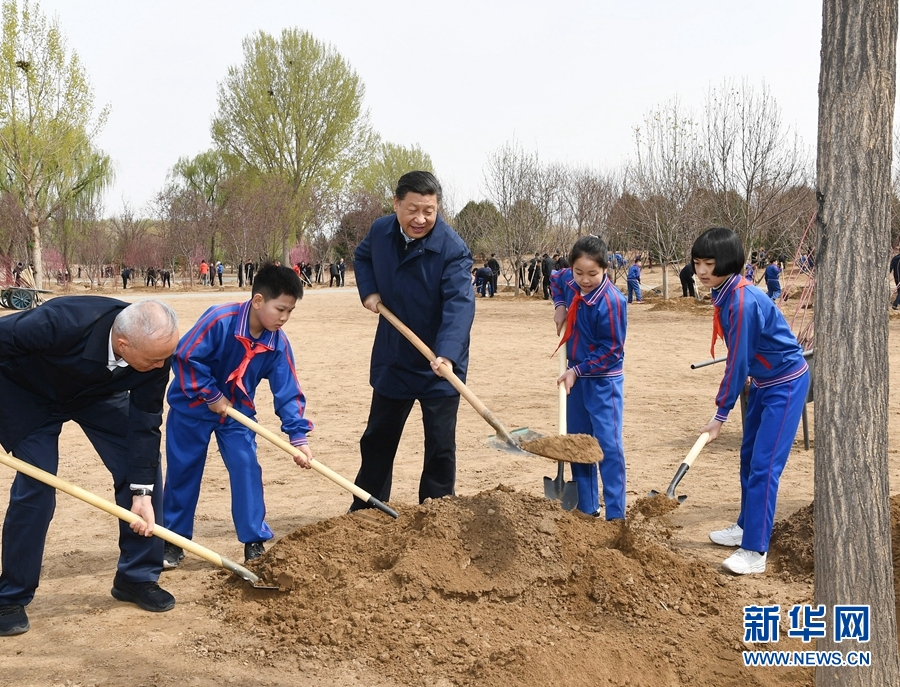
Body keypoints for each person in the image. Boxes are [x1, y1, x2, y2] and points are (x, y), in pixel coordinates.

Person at [0, 298, 180, 636]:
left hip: (94, 394)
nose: (161, 366)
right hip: (26, 394)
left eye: (164, 358)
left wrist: (141, 492)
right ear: (124, 344)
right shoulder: (60, 321)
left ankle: (136, 577)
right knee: (37, 485)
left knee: (141, 467)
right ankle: (10, 595)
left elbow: (145, 422)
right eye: (154, 359)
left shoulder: (157, 351)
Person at [162, 264, 314, 568]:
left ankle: (254, 540)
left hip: (237, 413)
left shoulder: (277, 343)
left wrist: (298, 437)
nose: (284, 318)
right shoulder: (220, 319)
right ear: (258, 301)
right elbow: (185, 356)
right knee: (183, 472)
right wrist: (211, 394)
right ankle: (173, 540)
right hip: (191, 408)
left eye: (290, 311)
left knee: (246, 467)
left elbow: (287, 390)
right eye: (280, 309)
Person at [350, 171, 475, 510]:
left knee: (440, 445)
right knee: (378, 438)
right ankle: (367, 507)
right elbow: (362, 258)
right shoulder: (380, 231)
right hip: (395, 356)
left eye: (429, 210)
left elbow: (459, 306)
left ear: (438, 208)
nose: (421, 219)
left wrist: (447, 354)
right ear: (396, 204)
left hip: (439, 363)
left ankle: (436, 511)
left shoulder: (452, 249)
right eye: (413, 209)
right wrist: (370, 291)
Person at [692, 227, 809, 575]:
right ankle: (746, 525)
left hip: (784, 384)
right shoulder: (725, 293)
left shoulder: (742, 301)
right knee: (748, 458)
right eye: (697, 263)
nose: (701, 271)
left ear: (727, 262)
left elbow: (738, 360)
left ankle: (755, 550)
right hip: (761, 381)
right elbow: (742, 359)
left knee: (764, 466)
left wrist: (720, 414)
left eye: (709, 264)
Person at [551, 236, 627, 519]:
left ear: (605, 269)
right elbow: (555, 278)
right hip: (576, 378)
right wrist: (560, 304)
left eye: (592, 274)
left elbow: (613, 351)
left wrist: (577, 370)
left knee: (608, 447)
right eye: (579, 272)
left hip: (603, 381)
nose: (584, 280)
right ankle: (587, 508)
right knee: (579, 443)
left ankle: (616, 516)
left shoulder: (612, 302)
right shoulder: (569, 281)